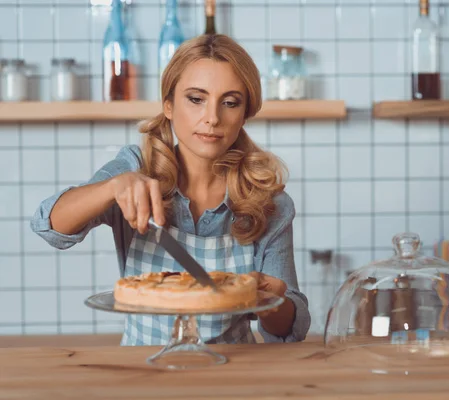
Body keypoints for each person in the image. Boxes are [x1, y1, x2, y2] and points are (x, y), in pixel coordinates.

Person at [30, 34, 310, 346]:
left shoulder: (268, 201)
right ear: (168, 105)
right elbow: (49, 225)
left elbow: (290, 330)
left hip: (233, 375)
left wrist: (271, 303)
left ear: (244, 114)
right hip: (143, 372)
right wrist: (112, 187)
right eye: (196, 99)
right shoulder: (135, 168)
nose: (212, 118)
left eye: (230, 103)